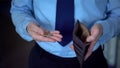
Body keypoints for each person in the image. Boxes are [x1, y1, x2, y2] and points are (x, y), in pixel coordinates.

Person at [10, 0, 120, 68]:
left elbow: (117, 14)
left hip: (91, 59)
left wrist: (103, 28)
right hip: (43, 58)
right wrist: (28, 26)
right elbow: (19, 9)